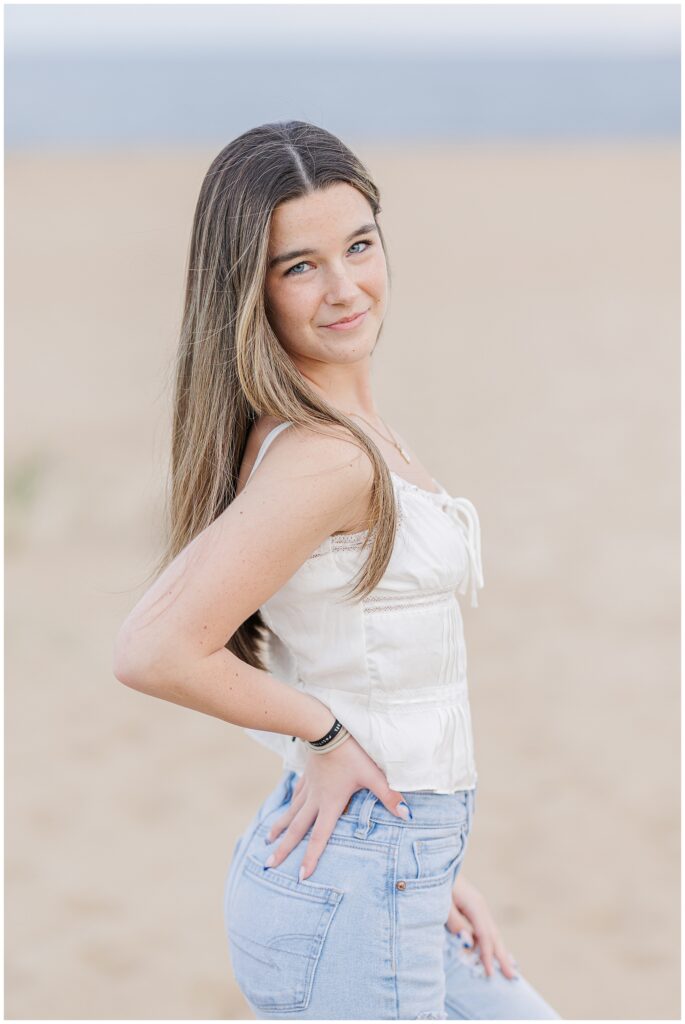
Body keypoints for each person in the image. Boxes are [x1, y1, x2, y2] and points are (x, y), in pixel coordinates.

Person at [114, 120, 560, 1020]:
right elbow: (155, 648)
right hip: (353, 883)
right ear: (251, 288)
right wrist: (323, 740)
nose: (345, 287)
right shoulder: (324, 458)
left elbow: (307, 654)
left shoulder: (328, 435)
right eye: (299, 265)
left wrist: (426, 866)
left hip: (382, 863)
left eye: (358, 245)